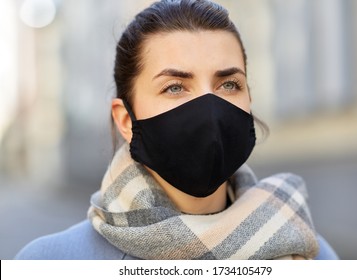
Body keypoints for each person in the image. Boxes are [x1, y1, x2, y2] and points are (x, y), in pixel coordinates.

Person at [15, 0, 338, 260]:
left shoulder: (310, 253)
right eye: (174, 87)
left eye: (228, 84)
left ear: (248, 99)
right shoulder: (51, 262)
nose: (210, 110)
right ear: (126, 120)